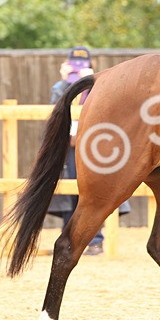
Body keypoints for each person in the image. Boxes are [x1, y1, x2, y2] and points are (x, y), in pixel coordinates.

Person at [45, 47, 128, 255]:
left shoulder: (99, 85)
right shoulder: (59, 86)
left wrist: (88, 81)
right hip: (68, 145)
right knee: (67, 190)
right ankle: (68, 237)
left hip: (93, 145)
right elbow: (56, 107)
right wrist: (66, 81)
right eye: (74, 64)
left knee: (94, 190)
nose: (77, 68)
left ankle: (95, 240)